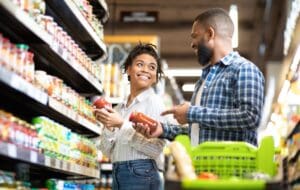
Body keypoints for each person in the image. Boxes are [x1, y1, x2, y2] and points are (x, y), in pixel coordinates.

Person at [133, 8, 265, 146]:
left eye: (195, 35)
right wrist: (162, 130)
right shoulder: (204, 80)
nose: (192, 43)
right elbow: (198, 132)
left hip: (232, 166)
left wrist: (192, 112)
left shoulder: (244, 69)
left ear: (209, 34)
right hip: (202, 165)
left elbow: (250, 117)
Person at [94, 43, 167, 190]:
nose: (146, 70)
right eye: (140, 64)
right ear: (128, 69)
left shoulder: (154, 103)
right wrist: (109, 126)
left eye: (152, 67)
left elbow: (155, 149)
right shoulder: (120, 108)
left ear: (155, 77)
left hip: (142, 174)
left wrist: (121, 125)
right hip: (119, 173)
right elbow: (107, 151)